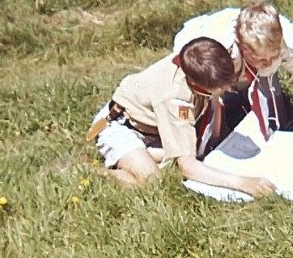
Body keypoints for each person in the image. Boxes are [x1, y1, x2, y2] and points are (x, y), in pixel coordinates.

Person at [87, 36, 276, 197]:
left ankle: (148, 154)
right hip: (124, 127)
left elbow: (217, 99)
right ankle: (95, 173)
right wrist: (244, 183)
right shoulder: (175, 98)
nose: (228, 88)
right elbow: (188, 166)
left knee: (198, 154)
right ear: (197, 85)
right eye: (222, 87)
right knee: (151, 182)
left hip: (156, 128)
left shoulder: (207, 59)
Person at [171, 0, 293, 143]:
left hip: (252, 73)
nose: (268, 63)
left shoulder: (291, 41)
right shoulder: (217, 45)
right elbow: (187, 64)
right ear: (241, 45)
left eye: (274, 56)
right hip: (211, 69)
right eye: (260, 59)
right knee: (208, 132)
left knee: (275, 122)